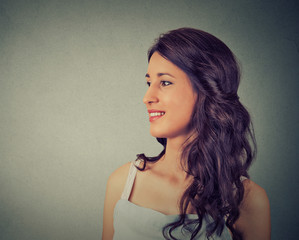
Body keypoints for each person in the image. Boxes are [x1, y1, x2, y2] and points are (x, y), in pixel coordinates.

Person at [102, 28, 270, 240]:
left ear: (206, 90)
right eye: (148, 83)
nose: (147, 97)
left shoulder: (248, 200)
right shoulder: (123, 183)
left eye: (165, 82)